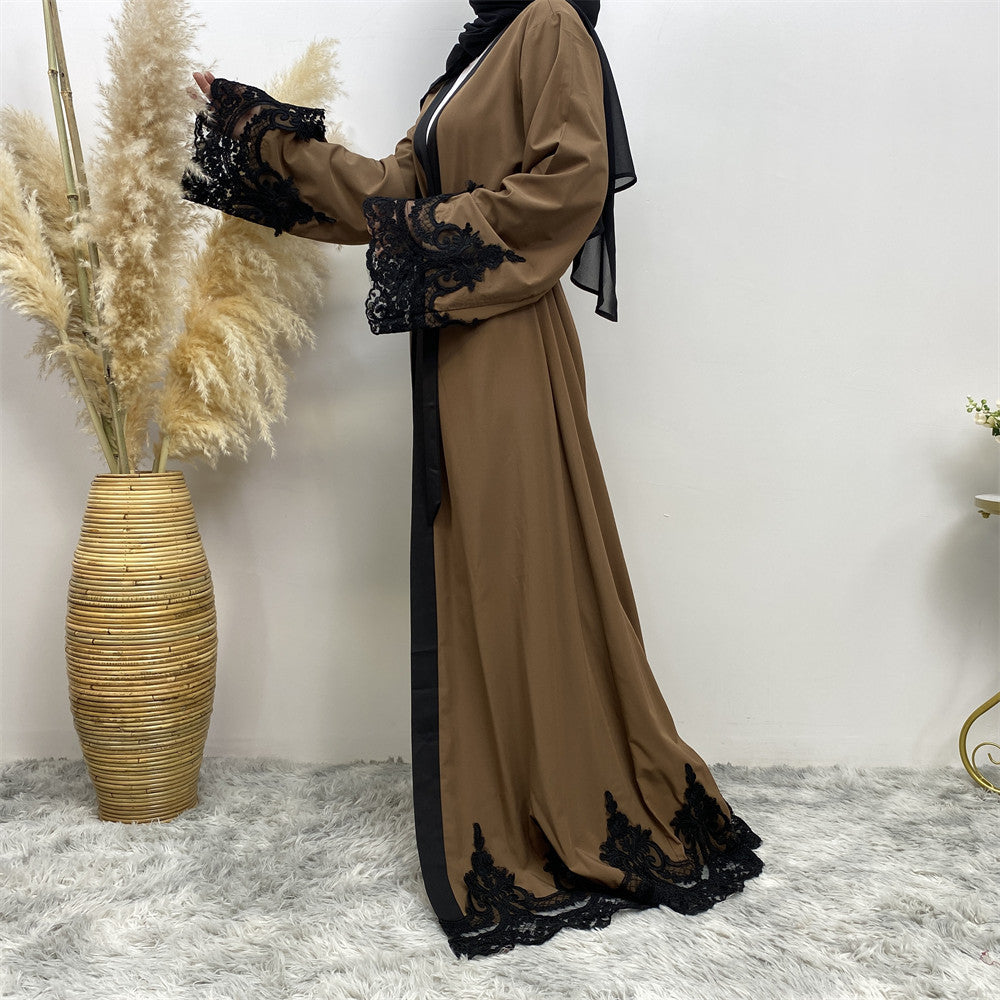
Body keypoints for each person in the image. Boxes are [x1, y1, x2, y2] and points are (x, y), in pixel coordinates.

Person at [187, 0, 763, 959]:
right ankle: (525, 787)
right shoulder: (472, 58)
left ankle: (575, 797)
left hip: (507, 343)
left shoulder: (548, 27)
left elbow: (570, 183)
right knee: (490, 570)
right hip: (457, 349)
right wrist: (266, 132)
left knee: (526, 565)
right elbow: (382, 192)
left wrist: (426, 226)